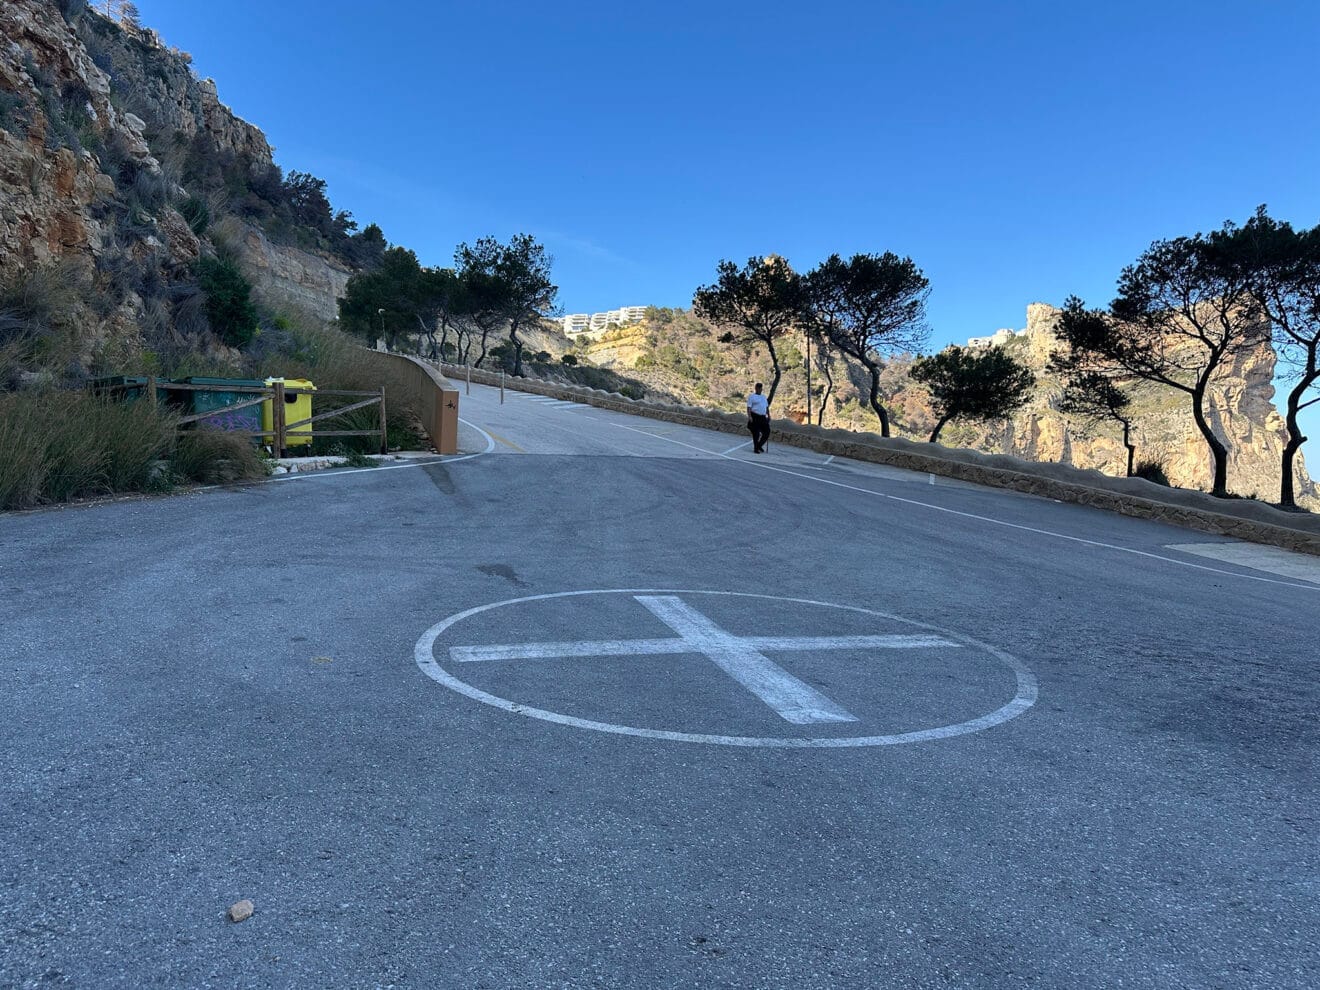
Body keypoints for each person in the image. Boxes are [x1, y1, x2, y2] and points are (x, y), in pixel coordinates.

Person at [746, 382, 771, 453]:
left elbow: (766, 407)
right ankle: (756, 448)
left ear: (761, 389)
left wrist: (768, 415)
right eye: (757, 388)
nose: (759, 389)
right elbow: (749, 407)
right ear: (755, 388)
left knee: (767, 432)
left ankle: (759, 445)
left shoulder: (763, 397)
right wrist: (749, 416)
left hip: (763, 417)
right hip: (755, 416)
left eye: (760, 388)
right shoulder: (752, 396)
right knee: (756, 433)